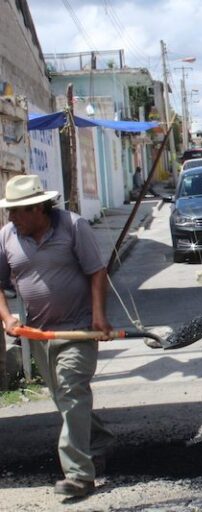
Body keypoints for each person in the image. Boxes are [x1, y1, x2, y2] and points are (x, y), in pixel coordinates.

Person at [0, 175, 114, 498]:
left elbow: (97, 271)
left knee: (71, 388)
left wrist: (98, 316)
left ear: (38, 208)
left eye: (16, 211)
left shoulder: (73, 227)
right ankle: (99, 438)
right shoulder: (7, 236)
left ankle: (79, 475)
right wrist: (7, 318)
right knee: (64, 399)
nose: (11, 218)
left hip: (77, 328)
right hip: (37, 332)